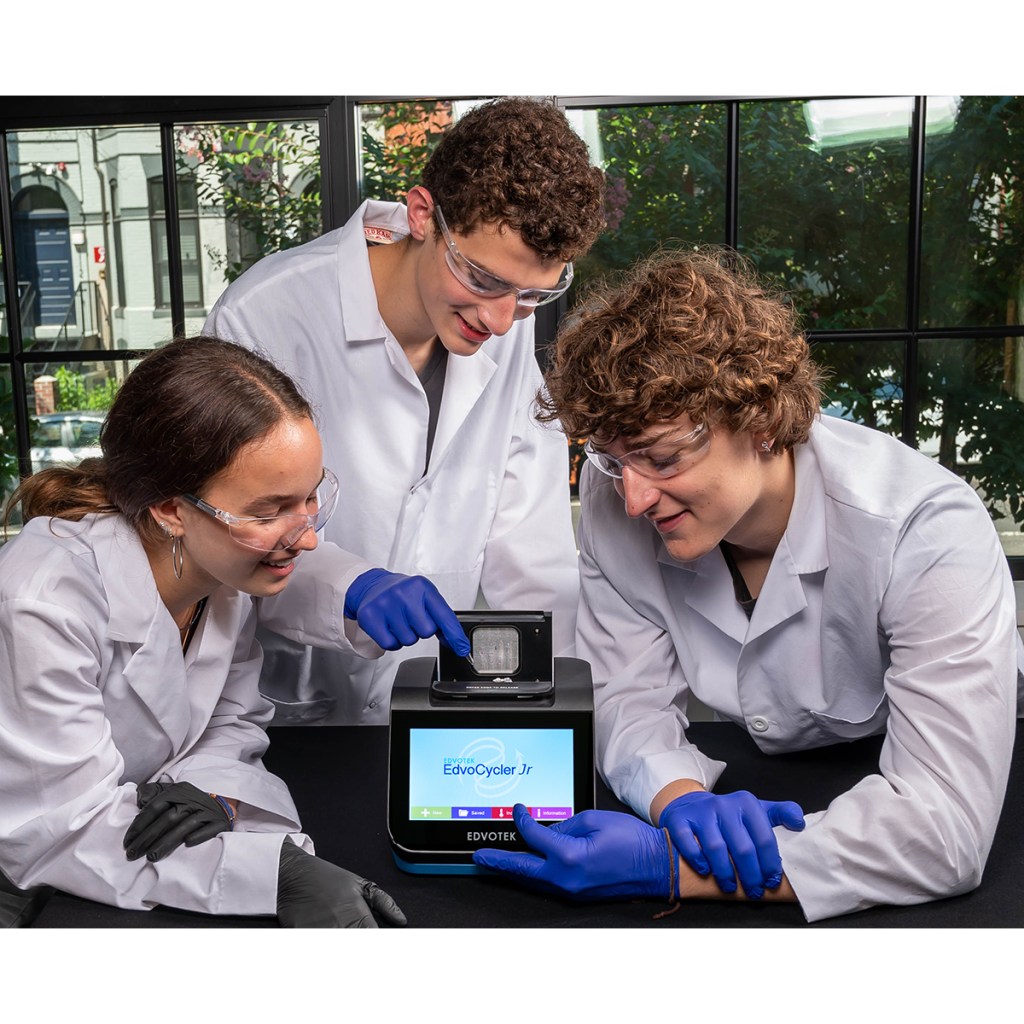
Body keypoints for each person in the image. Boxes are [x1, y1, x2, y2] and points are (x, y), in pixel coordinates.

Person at [475, 248, 1023, 922]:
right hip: (756, 775)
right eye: (614, 460)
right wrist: (679, 800)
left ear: (760, 422)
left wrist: (673, 869)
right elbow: (627, 692)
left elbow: (944, 829)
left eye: (663, 458)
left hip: (918, 759)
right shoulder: (617, 485)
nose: (635, 499)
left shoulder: (925, 529)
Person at [204, 96, 606, 725]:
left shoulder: (505, 321)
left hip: (431, 703)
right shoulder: (265, 315)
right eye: (483, 279)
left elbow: (531, 553)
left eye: (534, 294)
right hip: (288, 709)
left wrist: (563, 705)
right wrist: (350, 586)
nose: (502, 321)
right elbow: (223, 523)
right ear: (423, 215)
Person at [0, 336, 406, 928]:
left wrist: (214, 792)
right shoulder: (42, 602)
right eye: (267, 512)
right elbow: (59, 829)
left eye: (311, 497)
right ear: (171, 509)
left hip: (125, 858)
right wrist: (273, 875)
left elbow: (228, 720)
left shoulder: (216, 573)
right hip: (28, 885)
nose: (308, 537)